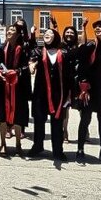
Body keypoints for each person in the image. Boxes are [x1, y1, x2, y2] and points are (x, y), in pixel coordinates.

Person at [74, 19, 101, 164]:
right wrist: (83, 85)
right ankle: (80, 151)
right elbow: (81, 65)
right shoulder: (91, 46)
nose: (98, 29)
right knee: (85, 119)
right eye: (96, 27)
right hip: (89, 89)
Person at [30, 27, 73, 161]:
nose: (46, 34)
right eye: (45, 33)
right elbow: (32, 61)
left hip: (58, 93)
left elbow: (69, 74)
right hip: (40, 93)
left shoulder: (64, 52)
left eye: (50, 33)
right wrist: (32, 65)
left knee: (57, 122)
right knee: (39, 120)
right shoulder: (38, 51)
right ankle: (38, 146)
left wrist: (69, 95)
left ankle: (58, 150)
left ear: (56, 36)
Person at [0, 22, 32, 156]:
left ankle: (18, 144)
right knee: (2, 116)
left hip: (18, 86)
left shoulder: (22, 49)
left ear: (17, 34)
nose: (9, 32)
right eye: (8, 30)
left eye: (12, 30)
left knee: (18, 117)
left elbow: (25, 67)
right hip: (3, 86)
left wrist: (16, 72)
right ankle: (3, 144)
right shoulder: (1, 48)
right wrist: (0, 73)